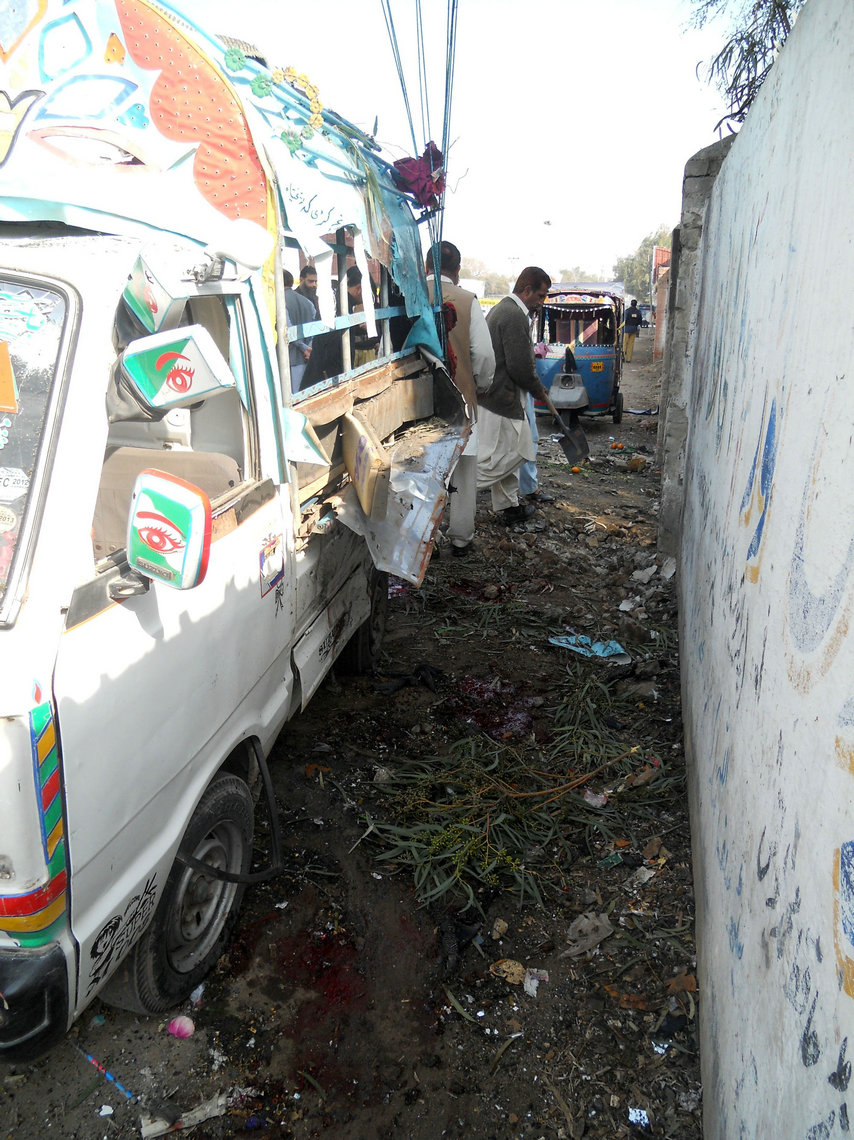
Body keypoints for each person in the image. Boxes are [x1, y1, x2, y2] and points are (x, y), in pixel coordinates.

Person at [426, 240, 495, 557]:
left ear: (427, 267)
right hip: (460, 398)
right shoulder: (468, 300)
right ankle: (460, 538)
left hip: (416, 399)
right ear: (456, 270)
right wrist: (479, 383)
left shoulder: (406, 297)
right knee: (464, 470)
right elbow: (482, 354)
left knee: (423, 470)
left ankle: (425, 537)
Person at [479, 267, 551, 525]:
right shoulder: (513, 314)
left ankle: (509, 507)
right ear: (527, 290)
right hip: (501, 399)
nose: (541, 303)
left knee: (507, 455)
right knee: (504, 458)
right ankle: (455, 487)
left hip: (497, 396)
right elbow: (520, 366)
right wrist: (537, 387)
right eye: (540, 296)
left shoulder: (507, 310)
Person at [283, 269, 316, 390]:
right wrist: (309, 348)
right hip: (307, 358)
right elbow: (314, 327)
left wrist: (303, 348)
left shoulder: (279, 302)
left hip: (290, 359)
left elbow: (288, 329)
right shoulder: (307, 302)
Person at [345, 266, 380, 367]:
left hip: (368, 348)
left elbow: (380, 323)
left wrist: (376, 338)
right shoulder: (345, 303)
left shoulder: (371, 301)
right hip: (353, 350)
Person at [623, 298, 642, 363]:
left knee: (625, 343)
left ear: (631, 304)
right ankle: (628, 359)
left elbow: (624, 320)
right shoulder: (638, 312)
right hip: (634, 330)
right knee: (631, 344)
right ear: (636, 305)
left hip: (626, 329)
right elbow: (640, 321)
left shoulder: (627, 311)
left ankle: (622, 357)